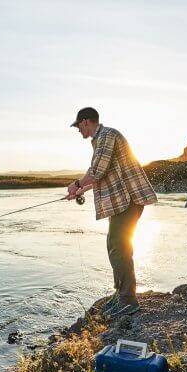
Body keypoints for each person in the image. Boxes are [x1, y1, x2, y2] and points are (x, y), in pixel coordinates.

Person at [65, 107, 157, 316]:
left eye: (78, 126)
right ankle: (121, 295)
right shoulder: (100, 139)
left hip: (129, 199)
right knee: (115, 244)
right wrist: (79, 189)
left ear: (86, 122)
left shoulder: (107, 136)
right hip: (122, 202)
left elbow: (97, 171)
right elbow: (103, 176)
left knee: (119, 245)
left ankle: (128, 301)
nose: (78, 130)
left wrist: (76, 183)